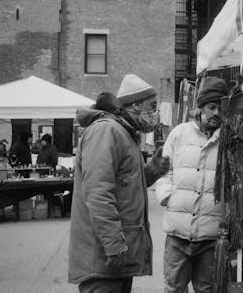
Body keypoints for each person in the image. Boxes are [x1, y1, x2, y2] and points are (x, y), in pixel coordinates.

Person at [68, 75, 170, 293]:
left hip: (115, 259)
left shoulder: (122, 132)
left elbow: (123, 186)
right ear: (135, 105)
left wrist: (152, 171)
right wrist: (113, 244)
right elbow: (98, 193)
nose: (155, 112)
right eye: (152, 106)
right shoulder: (107, 131)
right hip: (103, 259)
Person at [155, 76, 228, 293]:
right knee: (174, 287)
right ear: (201, 108)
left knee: (207, 288)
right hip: (178, 231)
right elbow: (163, 170)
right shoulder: (179, 134)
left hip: (210, 233)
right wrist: (167, 196)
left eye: (220, 109)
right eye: (212, 107)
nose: (216, 113)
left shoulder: (227, 140)